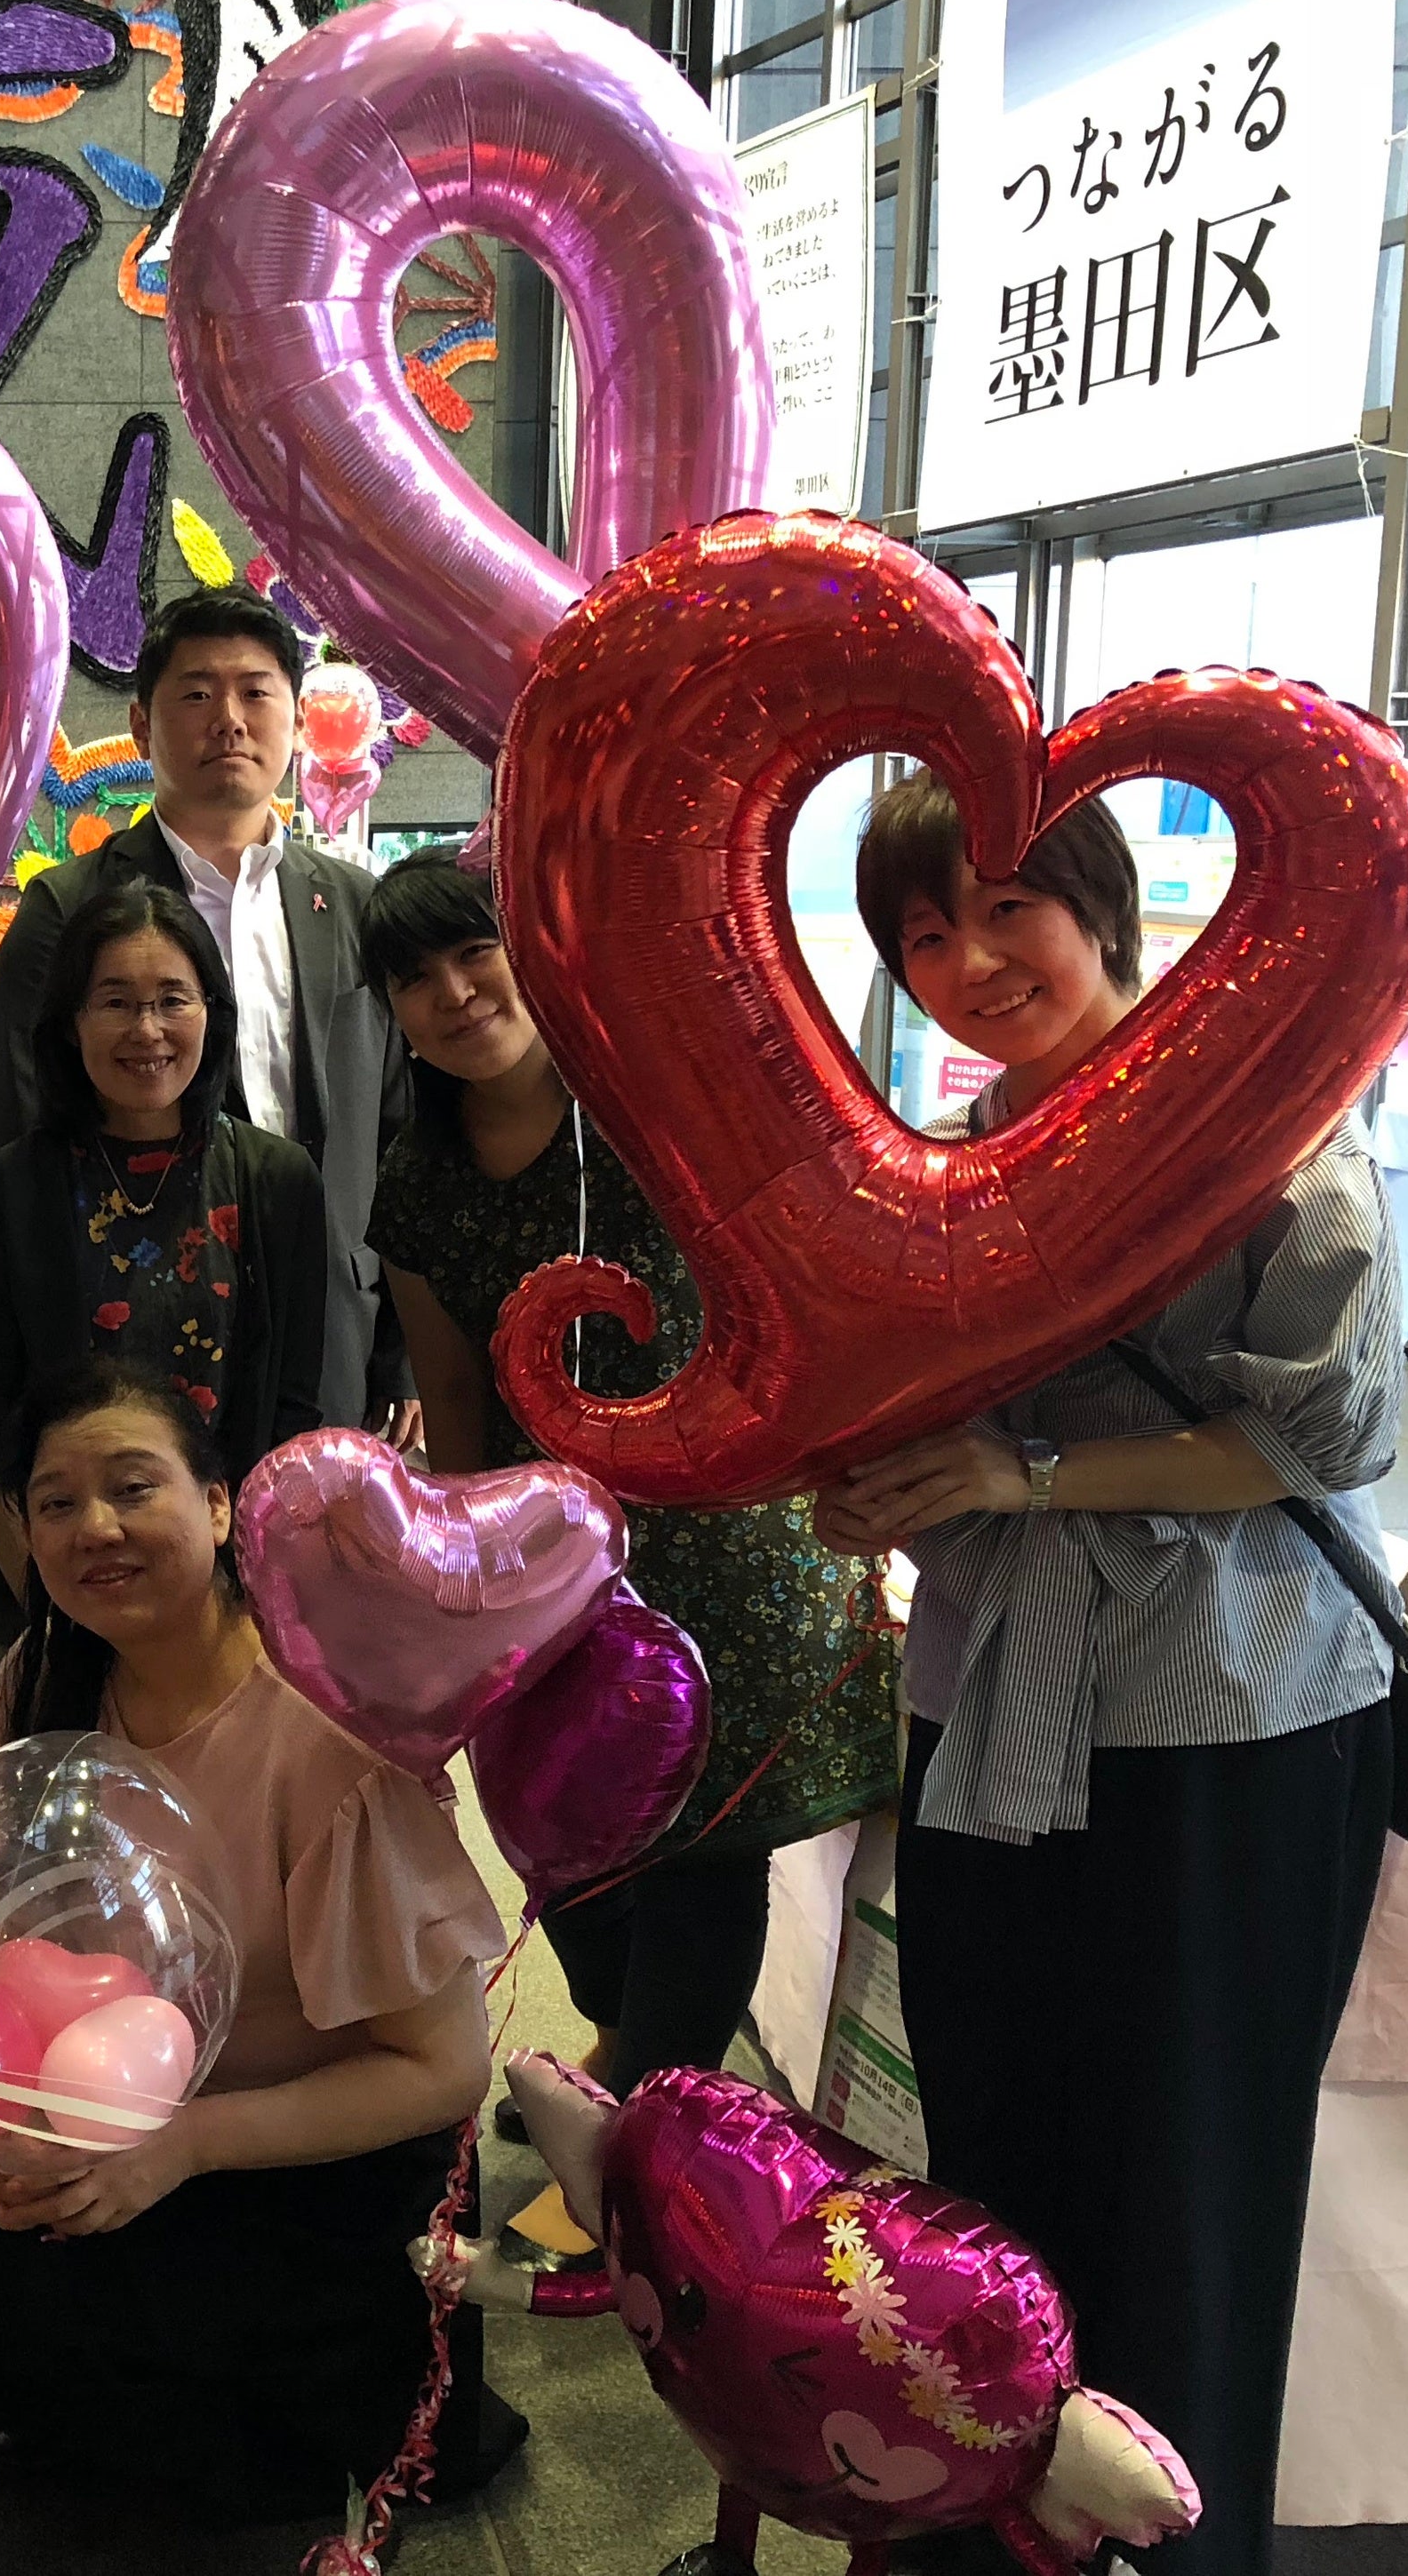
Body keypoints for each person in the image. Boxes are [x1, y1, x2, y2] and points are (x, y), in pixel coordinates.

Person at [819, 776, 1402, 2576]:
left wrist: (1024, 1474)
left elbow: (1321, 1435)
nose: (974, 961)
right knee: (994, 2169)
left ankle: (1171, 2551)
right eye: (928, 933)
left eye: (1011, 907)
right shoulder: (933, 1161)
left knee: (1189, 2192)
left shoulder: (1266, 1121)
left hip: (1222, 1719)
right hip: (993, 1708)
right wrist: (870, 1480)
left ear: (1097, 902)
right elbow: (898, 1418)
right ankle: (988, 2531)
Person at [0, 1358, 524, 2524]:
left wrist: (186, 2145)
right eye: (55, 1502)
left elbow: (443, 2070)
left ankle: (211, 2432)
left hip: (308, 2152)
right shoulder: (45, 1682)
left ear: (221, 1505)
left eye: (133, 1488)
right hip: (120, 2103)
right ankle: (110, 2413)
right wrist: (4, 2128)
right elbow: (17, 1947)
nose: (94, 1528)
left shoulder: (323, 1734)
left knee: (198, 2425)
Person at [356, 852, 899, 2254]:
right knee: (574, 1845)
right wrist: (479, 1594)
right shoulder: (418, 1181)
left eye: (474, 954)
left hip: (727, 1552)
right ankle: (624, 2057)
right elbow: (456, 1404)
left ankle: (629, 2163)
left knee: (705, 1851)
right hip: (555, 1570)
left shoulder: (653, 1113)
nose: (454, 993)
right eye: (414, 979)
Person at [0, 588, 408, 1438]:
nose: (230, 720)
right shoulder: (68, 909)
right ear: (141, 727)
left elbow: (401, 1138)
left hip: (334, 1337)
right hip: (131, 1341)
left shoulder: (359, 906)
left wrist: (400, 1354)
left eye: (256, 691)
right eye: (198, 693)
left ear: (297, 718)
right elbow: (17, 1151)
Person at [0, 879, 326, 1648]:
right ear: (72, 1022)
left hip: (227, 1604)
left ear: (211, 1012)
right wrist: (57, 1614)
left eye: (172, 1000)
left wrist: (234, 1609)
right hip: (50, 1590)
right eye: (115, 1001)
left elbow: (289, 1420)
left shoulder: (277, 1181)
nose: (147, 1029)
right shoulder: (10, 1193)